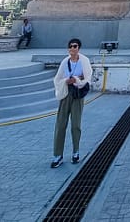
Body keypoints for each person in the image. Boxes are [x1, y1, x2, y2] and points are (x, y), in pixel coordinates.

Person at [51, 37, 92, 167]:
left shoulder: (84, 61)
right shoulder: (65, 62)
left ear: (79, 48)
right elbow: (58, 78)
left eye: (75, 46)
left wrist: (77, 80)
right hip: (66, 94)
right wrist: (66, 81)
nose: (72, 48)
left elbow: (87, 77)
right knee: (60, 125)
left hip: (77, 95)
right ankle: (58, 155)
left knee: (76, 125)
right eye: (70, 46)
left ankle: (75, 152)